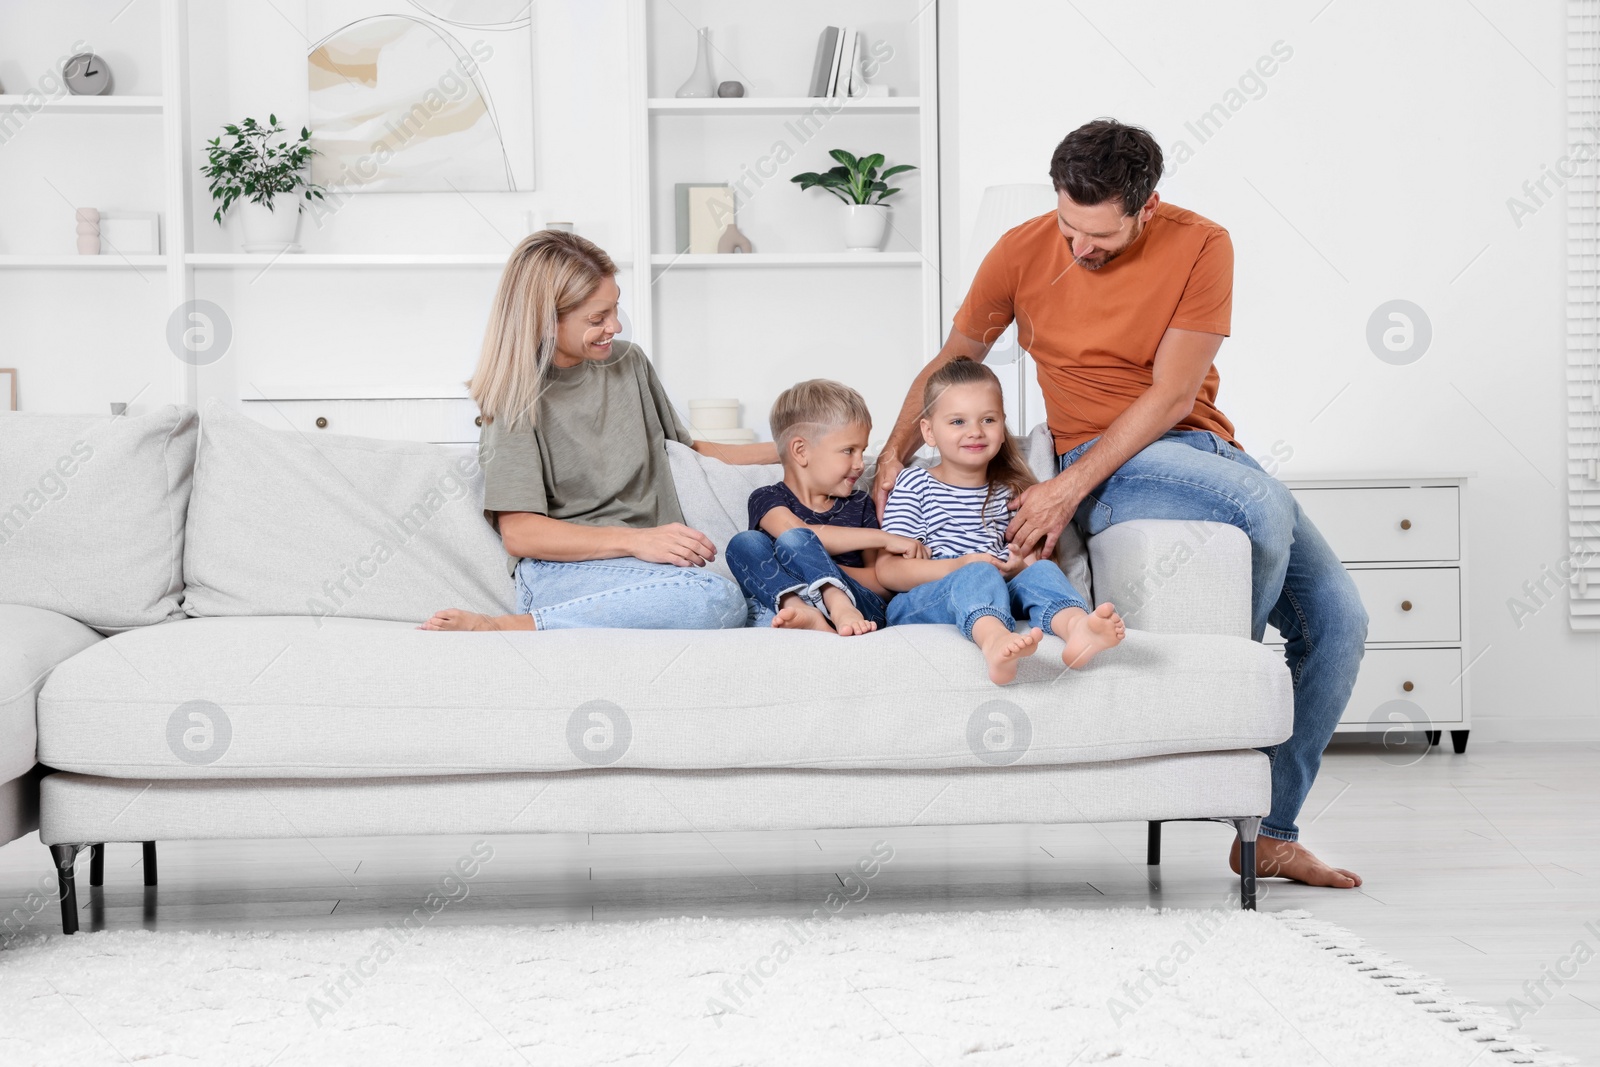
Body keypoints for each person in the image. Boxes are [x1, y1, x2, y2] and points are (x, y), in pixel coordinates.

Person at [871, 118, 1368, 889]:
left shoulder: (1203, 244)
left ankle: (1267, 833)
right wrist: (895, 451)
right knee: (1261, 506)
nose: (1077, 248)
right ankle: (1223, 695)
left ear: (1147, 206)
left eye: (1099, 236)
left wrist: (1058, 490)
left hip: (1192, 449)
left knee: (1341, 621)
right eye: (1069, 225)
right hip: (1110, 463)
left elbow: (1173, 395)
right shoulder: (1021, 248)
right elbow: (954, 359)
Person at [422, 230, 777, 633]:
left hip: (650, 570)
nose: (616, 326)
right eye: (596, 318)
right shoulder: (515, 403)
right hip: (561, 574)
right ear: (545, 320)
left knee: (781, 606)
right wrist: (637, 541)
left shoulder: (630, 364)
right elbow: (520, 534)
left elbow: (690, 453)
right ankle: (511, 626)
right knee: (718, 601)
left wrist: (792, 450)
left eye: (615, 308)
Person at [876, 358, 1125, 684]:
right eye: (957, 422)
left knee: (1043, 570)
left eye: (988, 419)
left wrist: (1020, 564)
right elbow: (887, 571)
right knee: (977, 572)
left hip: (996, 590)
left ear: (1002, 425)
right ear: (928, 431)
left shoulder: (1009, 490)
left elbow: (1027, 562)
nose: (975, 432)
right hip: (922, 601)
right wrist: (961, 566)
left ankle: (1076, 626)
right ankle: (994, 641)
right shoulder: (914, 484)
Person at [726, 379, 925, 635]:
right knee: (744, 543)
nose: (860, 464)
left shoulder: (860, 505)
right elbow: (800, 532)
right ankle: (800, 610)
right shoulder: (766, 498)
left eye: (862, 450)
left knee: (796, 543)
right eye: (848, 450)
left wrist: (818, 568)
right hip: (790, 601)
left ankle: (838, 603)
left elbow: (881, 583)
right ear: (801, 451)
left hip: (859, 607)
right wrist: (883, 538)